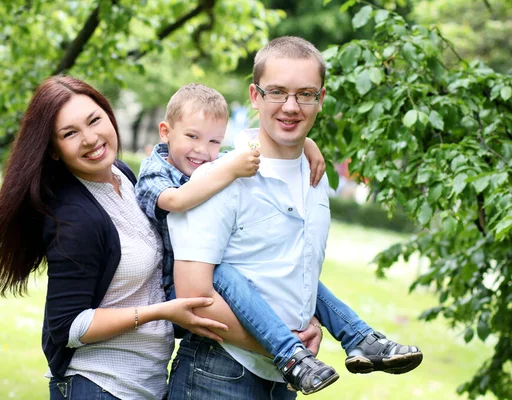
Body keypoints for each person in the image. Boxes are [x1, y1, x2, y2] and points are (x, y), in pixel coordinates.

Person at [166, 36, 423, 400]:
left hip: (286, 380)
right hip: (218, 373)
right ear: (255, 97)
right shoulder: (220, 178)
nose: (291, 106)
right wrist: (285, 343)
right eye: (277, 92)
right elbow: (193, 298)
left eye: (305, 94)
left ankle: (361, 338)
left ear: (321, 98)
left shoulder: (315, 175)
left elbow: (289, 271)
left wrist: (307, 321)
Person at [0, 76, 229, 400]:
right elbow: (68, 326)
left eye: (94, 120)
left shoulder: (123, 177)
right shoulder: (75, 218)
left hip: (143, 385)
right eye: (70, 133)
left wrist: (306, 148)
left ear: (108, 115)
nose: (89, 138)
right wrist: (162, 312)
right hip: (99, 386)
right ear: (55, 150)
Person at [135, 83, 339, 395]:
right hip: (176, 289)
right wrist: (229, 170)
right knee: (228, 272)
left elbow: (260, 145)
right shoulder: (155, 172)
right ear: (165, 132)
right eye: (192, 136)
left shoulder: (212, 165)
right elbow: (176, 201)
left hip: (219, 282)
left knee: (301, 271)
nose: (203, 150)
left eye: (215, 141)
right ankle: (289, 351)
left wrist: (306, 144)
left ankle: (356, 335)